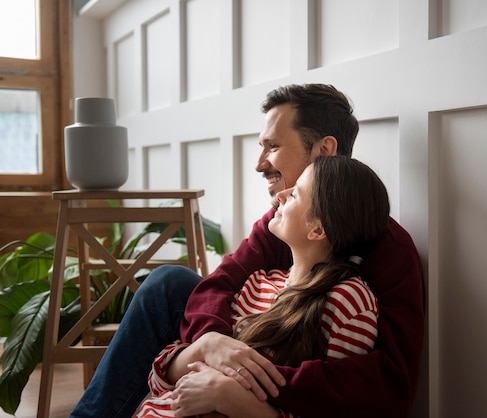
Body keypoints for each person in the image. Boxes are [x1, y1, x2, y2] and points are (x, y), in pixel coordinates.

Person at [71, 84, 424, 418]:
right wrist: (211, 343)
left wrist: (246, 382)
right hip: (242, 357)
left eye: (273, 147)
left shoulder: (390, 252)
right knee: (168, 282)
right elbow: (218, 285)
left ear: (324, 150)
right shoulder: (276, 229)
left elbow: (389, 388)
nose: (259, 163)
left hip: (281, 385)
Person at [135, 155, 391, 417]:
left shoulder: (348, 302)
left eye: (295, 195)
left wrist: (229, 396)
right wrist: (203, 346)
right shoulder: (256, 284)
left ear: (318, 229)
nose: (281, 195)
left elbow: (334, 407)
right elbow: (158, 382)